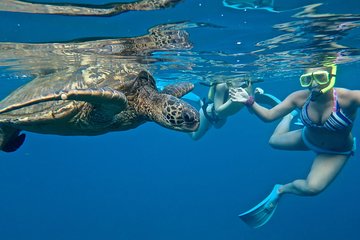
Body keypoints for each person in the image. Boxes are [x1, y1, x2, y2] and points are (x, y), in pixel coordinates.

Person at [229, 65, 359, 228]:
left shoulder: (348, 98)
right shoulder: (299, 97)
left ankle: (281, 190)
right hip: (308, 138)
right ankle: (288, 116)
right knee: (273, 141)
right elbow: (269, 116)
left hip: (335, 152)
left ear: (331, 75)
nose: (314, 84)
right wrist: (249, 101)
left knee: (312, 188)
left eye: (320, 77)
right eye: (307, 80)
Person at [190, 79, 277, 140]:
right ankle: (182, 119)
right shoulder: (222, 86)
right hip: (208, 114)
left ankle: (200, 102)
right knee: (195, 137)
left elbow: (251, 111)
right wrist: (233, 99)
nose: (241, 80)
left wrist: (253, 96)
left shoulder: (248, 85)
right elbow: (218, 111)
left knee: (217, 127)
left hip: (222, 120)